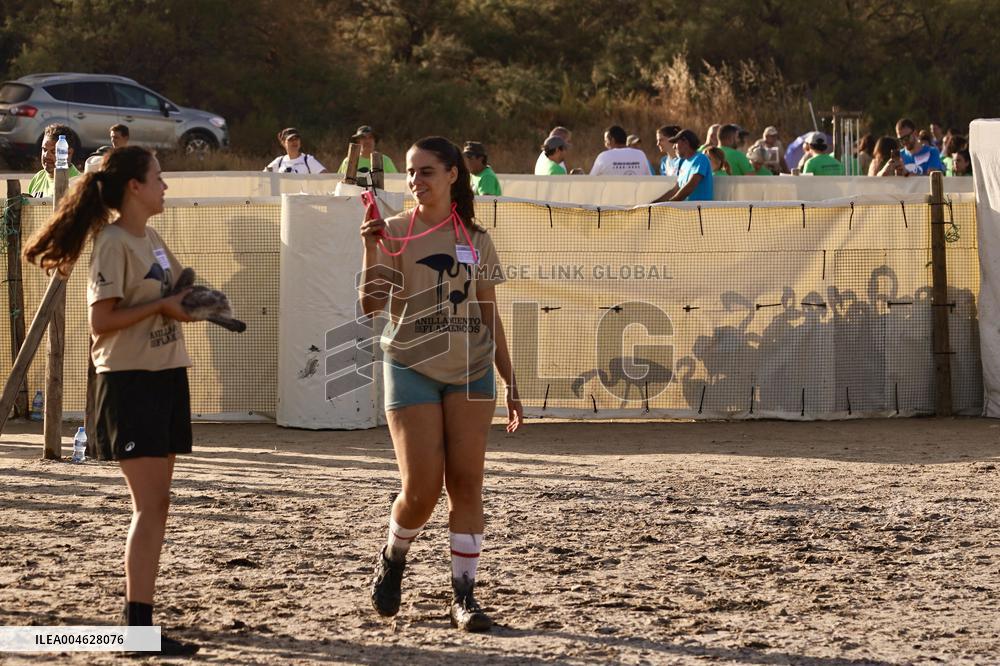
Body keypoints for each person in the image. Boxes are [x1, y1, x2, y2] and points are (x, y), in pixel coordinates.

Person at [22, 146, 198, 656]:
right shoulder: (113, 243)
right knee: (149, 506)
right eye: (158, 178)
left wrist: (196, 302)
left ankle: (141, 622)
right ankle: (136, 630)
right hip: (129, 381)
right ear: (134, 188)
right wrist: (165, 304)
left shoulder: (153, 238)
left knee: (158, 504)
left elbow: (174, 292)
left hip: (164, 376)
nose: (165, 186)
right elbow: (103, 321)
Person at [358, 136, 523, 633]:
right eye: (411, 172)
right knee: (422, 490)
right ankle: (394, 554)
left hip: (472, 372)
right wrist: (371, 249)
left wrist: (509, 380)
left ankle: (464, 597)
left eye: (426, 171)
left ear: (453, 175)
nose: (415, 181)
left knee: (468, 483)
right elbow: (371, 307)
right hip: (410, 365)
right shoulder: (391, 231)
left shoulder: (475, 237)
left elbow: (489, 312)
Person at [655, 129, 712, 202]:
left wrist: (670, 203)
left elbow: (690, 186)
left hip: (700, 211)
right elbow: (675, 190)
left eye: (676, 143)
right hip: (686, 211)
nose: (673, 147)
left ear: (685, 142)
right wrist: (654, 203)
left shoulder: (701, 158)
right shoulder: (684, 163)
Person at [27, 124, 81, 197]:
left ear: (69, 153)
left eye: (54, 151)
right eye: (44, 149)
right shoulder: (38, 177)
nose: (46, 155)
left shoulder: (78, 183)